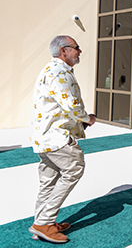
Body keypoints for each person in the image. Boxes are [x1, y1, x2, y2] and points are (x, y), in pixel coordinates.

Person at [28, 35, 96, 244]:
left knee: (48, 181)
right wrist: (88, 118)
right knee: (75, 168)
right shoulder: (59, 72)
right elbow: (72, 105)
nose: (80, 52)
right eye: (77, 48)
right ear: (64, 50)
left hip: (44, 136)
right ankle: (44, 223)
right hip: (56, 136)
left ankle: (42, 222)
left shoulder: (51, 70)